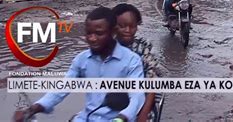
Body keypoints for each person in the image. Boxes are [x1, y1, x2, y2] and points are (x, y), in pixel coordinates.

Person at [13, 7, 145, 122]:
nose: (92, 39)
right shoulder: (82, 60)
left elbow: (137, 97)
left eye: (99, 33)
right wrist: (32, 109)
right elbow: (61, 90)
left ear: (113, 32)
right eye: (89, 33)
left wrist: (122, 118)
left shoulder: (131, 60)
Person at [112, 4, 160, 122]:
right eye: (122, 26)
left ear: (137, 26)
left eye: (132, 26)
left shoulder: (144, 47)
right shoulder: (106, 47)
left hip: (143, 103)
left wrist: (143, 113)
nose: (127, 30)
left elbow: (153, 82)